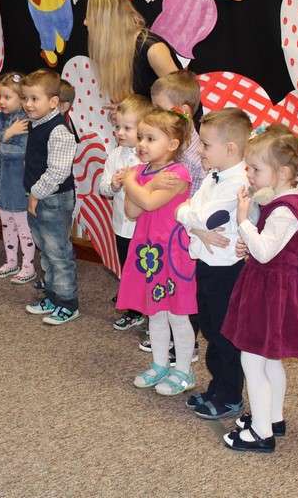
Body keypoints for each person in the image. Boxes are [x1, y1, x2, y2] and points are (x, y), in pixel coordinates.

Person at [221, 125, 298, 453]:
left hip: (270, 295)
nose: (249, 174)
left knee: (253, 360)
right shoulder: (285, 202)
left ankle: (261, 433)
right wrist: (251, 242)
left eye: (255, 169)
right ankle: (273, 418)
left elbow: (264, 252)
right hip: (272, 288)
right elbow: (270, 249)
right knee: (270, 359)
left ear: (283, 173)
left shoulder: (284, 212)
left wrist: (244, 222)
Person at [176, 108, 253, 420]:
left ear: (230, 148)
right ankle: (217, 387)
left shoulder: (239, 183)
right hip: (207, 264)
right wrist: (195, 226)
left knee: (224, 334)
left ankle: (230, 395)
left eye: (206, 145)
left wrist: (194, 222)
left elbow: (205, 216)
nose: (201, 150)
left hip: (226, 269)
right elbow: (183, 209)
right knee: (209, 326)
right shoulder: (212, 176)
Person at [118, 107, 197, 395]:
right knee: (155, 312)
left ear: (173, 144)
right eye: (141, 137)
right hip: (148, 253)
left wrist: (130, 181)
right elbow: (132, 210)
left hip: (172, 254)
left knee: (177, 314)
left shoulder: (178, 173)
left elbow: (149, 203)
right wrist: (142, 183)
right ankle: (160, 364)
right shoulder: (141, 172)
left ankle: (184, 371)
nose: (142, 144)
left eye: (150, 138)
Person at [21, 69, 80, 325]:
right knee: (45, 250)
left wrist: (35, 193)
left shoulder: (59, 131)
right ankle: (53, 296)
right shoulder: (36, 124)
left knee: (58, 253)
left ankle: (68, 303)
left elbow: (58, 171)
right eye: (25, 98)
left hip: (54, 200)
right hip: (39, 197)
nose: (28, 104)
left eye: (35, 99)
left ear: (54, 102)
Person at [99, 95, 152, 329]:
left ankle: (151, 310)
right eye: (118, 127)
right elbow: (102, 188)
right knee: (127, 268)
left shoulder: (149, 158)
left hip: (145, 227)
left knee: (147, 269)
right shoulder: (114, 155)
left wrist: (135, 179)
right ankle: (134, 309)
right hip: (122, 226)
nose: (120, 132)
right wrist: (113, 184)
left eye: (127, 128)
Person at [0, 72, 36, 285]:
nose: (1, 101)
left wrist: (0, 144)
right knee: (7, 224)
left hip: (17, 183)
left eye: (7, 97)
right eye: (0, 96)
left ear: (21, 99)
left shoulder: (26, 121)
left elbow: (22, 152)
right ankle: (11, 262)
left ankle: (28, 266)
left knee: (23, 226)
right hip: (0, 181)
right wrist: (8, 134)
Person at [85, 0, 180, 103]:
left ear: (107, 20)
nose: (85, 22)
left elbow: (181, 99)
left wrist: (139, 111)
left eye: (90, 16)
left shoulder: (153, 49)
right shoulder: (116, 47)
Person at [150, 70, 205, 194]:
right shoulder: (167, 140)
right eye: (154, 109)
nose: (154, 115)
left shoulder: (190, 160)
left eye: (160, 110)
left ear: (184, 111)